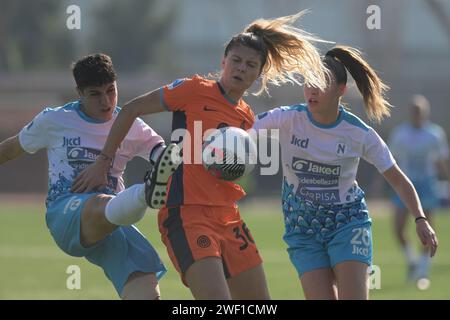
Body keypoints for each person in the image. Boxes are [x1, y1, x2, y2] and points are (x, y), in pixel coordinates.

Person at [74, 12, 329, 299]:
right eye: (236, 61)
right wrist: (103, 161)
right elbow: (131, 109)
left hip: (229, 217)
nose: (241, 68)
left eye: (250, 65)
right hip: (186, 215)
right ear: (223, 61)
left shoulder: (246, 118)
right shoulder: (193, 90)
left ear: (258, 74)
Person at [252, 46, 439, 299]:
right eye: (308, 82)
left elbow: (397, 177)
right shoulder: (287, 118)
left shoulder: (359, 133)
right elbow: (242, 129)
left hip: (347, 223)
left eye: (321, 83)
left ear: (341, 90)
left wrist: (420, 218)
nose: (312, 89)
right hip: (302, 227)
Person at [0, 53, 182, 299]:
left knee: (146, 285)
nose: (106, 102)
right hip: (65, 212)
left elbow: (164, 156)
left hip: (114, 221)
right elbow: (11, 148)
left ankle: (145, 193)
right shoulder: (55, 119)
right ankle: (146, 193)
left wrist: (180, 160)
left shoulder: (130, 124)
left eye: (111, 90)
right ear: (80, 93)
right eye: (96, 94)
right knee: (99, 202)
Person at [388, 94, 449, 288]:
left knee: (427, 228)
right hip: (405, 185)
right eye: (414, 111)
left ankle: (423, 272)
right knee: (398, 228)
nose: (417, 114)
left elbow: (440, 162)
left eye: (420, 111)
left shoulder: (435, 134)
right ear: (410, 112)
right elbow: (391, 162)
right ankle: (412, 261)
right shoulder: (400, 134)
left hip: (426, 185)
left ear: (426, 113)